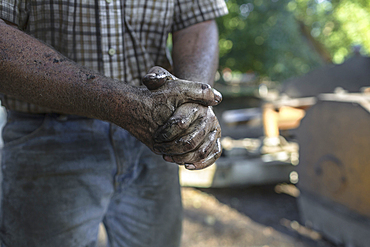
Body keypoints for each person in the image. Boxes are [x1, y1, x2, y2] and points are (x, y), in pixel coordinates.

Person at [0, 0, 228, 246]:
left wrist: (191, 101)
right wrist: (124, 105)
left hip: (156, 137)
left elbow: (198, 21)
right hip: (46, 136)